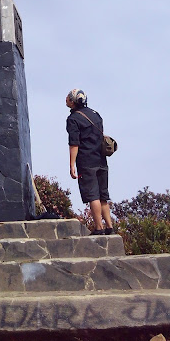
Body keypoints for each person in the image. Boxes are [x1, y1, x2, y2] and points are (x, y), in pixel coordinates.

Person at [66, 88, 113, 236]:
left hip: (87, 162)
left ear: (73, 102)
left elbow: (74, 144)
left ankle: (99, 228)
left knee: (93, 196)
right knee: (103, 195)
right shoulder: (96, 115)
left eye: (68, 98)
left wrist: (72, 164)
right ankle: (110, 227)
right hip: (101, 160)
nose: (66, 99)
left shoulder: (73, 119)